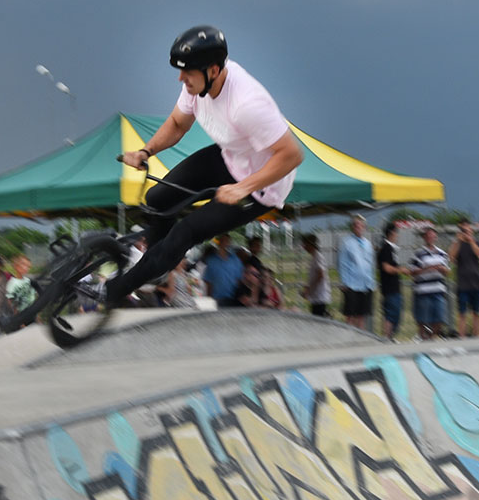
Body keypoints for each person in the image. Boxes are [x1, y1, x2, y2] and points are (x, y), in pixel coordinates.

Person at [106, 25, 303, 305]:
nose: (180, 78)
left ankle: (116, 292)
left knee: (185, 232)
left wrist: (242, 188)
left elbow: (292, 155)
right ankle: (156, 260)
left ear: (212, 70)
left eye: (187, 72)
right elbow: (177, 123)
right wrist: (145, 151)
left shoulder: (248, 103)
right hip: (230, 156)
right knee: (157, 198)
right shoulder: (196, 85)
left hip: (260, 185)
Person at [409, 226, 450, 340]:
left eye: (432, 236)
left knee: (439, 317)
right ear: (424, 238)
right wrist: (428, 269)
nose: (430, 238)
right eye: (428, 236)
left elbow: (447, 271)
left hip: (438, 289)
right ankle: (422, 337)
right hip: (423, 290)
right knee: (423, 318)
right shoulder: (418, 253)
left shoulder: (442, 253)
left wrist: (441, 269)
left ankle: (432, 336)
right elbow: (412, 271)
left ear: (435, 237)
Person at [337, 215, 375, 330]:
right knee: (350, 314)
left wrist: (372, 281)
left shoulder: (368, 243)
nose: (358, 227)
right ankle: (348, 336)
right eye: (355, 225)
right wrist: (344, 282)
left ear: (364, 227)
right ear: (352, 227)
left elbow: (370, 263)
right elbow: (342, 263)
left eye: (360, 225)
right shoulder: (347, 243)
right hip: (352, 284)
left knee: (362, 314)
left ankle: (361, 338)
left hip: (366, 284)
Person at [448, 219, 479, 338]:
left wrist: (471, 241)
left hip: (476, 283)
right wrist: (458, 242)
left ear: (471, 230)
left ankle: (477, 334)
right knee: (462, 313)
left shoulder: (477, 242)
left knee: (477, 312)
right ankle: (462, 335)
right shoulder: (457, 244)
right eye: (462, 230)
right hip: (463, 284)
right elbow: (451, 258)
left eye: (467, 229)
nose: (465, 232)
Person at [377, 222, 409, 341]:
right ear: (391, 233)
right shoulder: (386, 248)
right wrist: (400, 270)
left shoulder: (391, 249)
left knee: (395, 314)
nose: (397, 235)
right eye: (396, 232)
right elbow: (386, 267)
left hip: (394, 288)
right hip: (390, 288)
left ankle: (390, 336)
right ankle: (387, 337)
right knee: (391, 314)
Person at [201, 234, 244, 307]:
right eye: (223, 241)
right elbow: (208, 282)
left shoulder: (236, 260)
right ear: (219, 243)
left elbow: (240, 280)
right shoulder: (211, 261)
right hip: (217, 299)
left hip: (233, 299)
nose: (225, 243)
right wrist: (209, 299)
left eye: (227, 241)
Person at [300, 234, 331, 317]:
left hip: (320, 297)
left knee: (318, 319)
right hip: (316, 297)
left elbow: (321, 274)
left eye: (305, 244)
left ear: (310, 245)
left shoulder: (318, 257)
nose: (304, 247)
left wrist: (309, 289)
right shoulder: (315, 257)